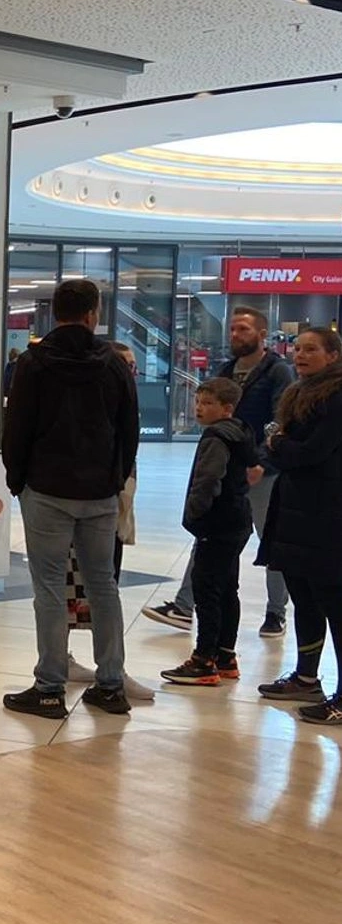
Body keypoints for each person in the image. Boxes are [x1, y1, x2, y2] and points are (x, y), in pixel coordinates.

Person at [1, 278, 139, 720]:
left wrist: (17, 481)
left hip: (46, 489)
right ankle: (111, 685)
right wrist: (115, 477)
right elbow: (129, 428)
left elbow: (16, 426)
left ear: (55, 312)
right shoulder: (113, 363)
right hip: (99, 492)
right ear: (93, 314)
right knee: (104, 585)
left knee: (49, 588)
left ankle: (49, 688)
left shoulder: (34, 362)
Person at [144, 306, 293, 639]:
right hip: (230, 469)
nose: (235, 335)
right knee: (208, 534)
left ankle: (276, 612)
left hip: (262, 473)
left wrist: (261, 461)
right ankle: (184, 606)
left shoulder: (277, 372)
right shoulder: (226, 370)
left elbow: (280, 419)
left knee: (271, 541)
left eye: (243, 329)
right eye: (232, 329)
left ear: (262, 334)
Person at [255, 327, 342, 722]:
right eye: (298, 348)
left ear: (333, 356)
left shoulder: (335, 397)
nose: (301, 355)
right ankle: (306, 678)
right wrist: (279, 446)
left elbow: (312, 451)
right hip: (296, 511)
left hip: (327, 514)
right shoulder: (299, 394)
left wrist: (278, 443)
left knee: (333, 602)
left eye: (311, 349)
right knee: (304, 597)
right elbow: (283, 452)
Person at [64, 341, 153, 701]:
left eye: (132, 366)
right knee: (79, 585)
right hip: (91, 505)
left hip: (112, 508)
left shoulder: (125, 403)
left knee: (102, 584)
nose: (129, 371)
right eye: (123, 364)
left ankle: (109, 669)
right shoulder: (95, 403)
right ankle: (97, 668)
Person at [159, 378, 257, 687]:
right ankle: (226, 656)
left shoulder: (216, 437)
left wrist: (195, 513)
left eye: (208, 403)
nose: (199, 408)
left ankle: (203, 660)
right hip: (238, 520)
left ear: (227, 408)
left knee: (206, 589)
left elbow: (208, 478)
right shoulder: (241, 431)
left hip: (217, 523)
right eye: (198, 402)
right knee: (227, 588)